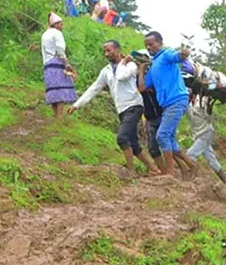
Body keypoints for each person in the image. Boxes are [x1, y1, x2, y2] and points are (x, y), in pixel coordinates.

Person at [67, 40, 160, 177]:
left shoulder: (131, 65)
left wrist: (123, 62)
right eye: (104, 51)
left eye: (109, 50)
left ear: (117, 50)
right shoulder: (106, 71)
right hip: (121, 109)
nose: (106, 54)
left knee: (122, 137)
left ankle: (130, 171)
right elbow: (94, 88)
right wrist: (76, 105)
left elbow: (121, 77)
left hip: (134, 105)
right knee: (133, 144)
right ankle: (154, 169)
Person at [137, 31, 198, 177]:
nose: (149, 47)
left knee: (162, 135)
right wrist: (141, 70)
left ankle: (170, 172)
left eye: (151, 44)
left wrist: (183, 54)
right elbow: (142, 88)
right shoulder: (153, 67)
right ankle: (191, 165)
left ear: (160, 42)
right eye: (147, 46)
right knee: (168, 138)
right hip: (167, 105)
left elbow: (177, 56)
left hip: (177, 99)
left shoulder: (166, 54)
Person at [186, 91, 226, 184]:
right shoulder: (187, 105)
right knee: (212, 160)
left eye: (188, 94)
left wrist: (208, 107)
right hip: (198, 134)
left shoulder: (202, 102)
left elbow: (209, 118)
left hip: (206, 133)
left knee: (190, 154)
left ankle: (192, 177)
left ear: (193, 95)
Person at [41, 12, 76, 119]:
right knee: (61, 89)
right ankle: (59, 116)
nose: (62, 26)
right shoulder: (57, 33)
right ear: (55, 24)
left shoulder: (45, 34)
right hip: (57, 63)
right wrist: (66, 63)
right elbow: (60, 50)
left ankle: (56, 114)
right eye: (60, 24)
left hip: (47, 64)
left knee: (52, 89)